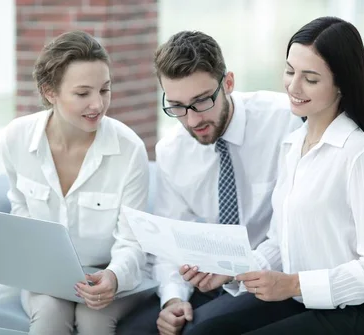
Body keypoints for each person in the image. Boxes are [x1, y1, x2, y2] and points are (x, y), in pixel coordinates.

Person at [184, 16, 364, 335]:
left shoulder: (360, 155)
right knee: (202, 329)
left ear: (342, 84)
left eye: (310, 79)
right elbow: (280, 241)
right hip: (302, 298)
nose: (293, 86)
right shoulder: (293, 145)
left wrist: (292, 284)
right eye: (290, 71)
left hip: (360, 312)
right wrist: (232, 272)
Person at [116, 31, 303, 335]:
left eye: (201, 102)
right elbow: (170, 243)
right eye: (176, 106)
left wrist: (235, 270)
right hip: (207, 282)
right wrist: (173, 299)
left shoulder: (285, 122)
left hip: (267, 280)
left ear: (228, 83)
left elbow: (293, 233)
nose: (191, 121)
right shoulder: (172, 151)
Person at [0, 30, 150, 335]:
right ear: (50, 92)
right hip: (47, 275)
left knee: (93, 320)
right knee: (50, 317)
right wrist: (44, 267)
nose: (98, 104)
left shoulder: (129, 149)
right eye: (83, 94)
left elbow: (132, 241)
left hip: (110, 273)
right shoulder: (16, 138)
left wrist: (114, 277)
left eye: (104, 90)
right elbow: (20, 211)